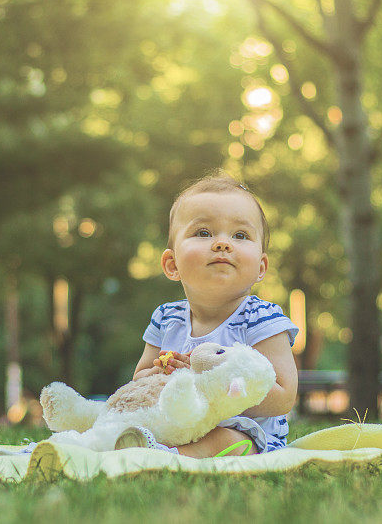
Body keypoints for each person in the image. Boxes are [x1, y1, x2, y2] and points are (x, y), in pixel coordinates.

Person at [118, 173, 299, 457]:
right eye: (204, 233)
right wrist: (162, 375)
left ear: (261, 268)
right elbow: (140, 379)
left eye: (240, 235)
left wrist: (208, 385)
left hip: (248, 435)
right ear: (172, 264)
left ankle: (167, 457)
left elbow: (284, 397)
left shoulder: (261, 317)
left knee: (225, 439)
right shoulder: (166, 318)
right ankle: (151, 447)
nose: (222, 243)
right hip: (180, 425)